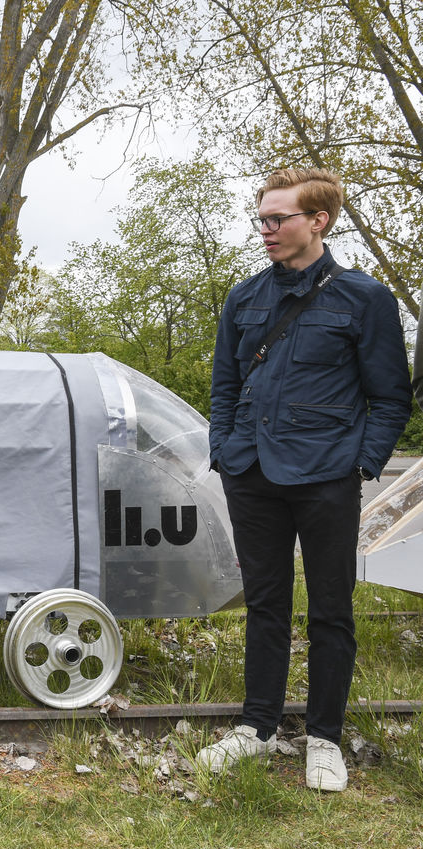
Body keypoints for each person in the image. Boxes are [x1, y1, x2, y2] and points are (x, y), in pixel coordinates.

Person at [197, 168, 411, 791]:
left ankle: (324, 738)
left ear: (317, 221)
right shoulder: (244, 298)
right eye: (260, 219)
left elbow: (391, 397)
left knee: (331, 612)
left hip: (327, 478)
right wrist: (224, 449)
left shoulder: (364, 298)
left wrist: (362, 463)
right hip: (250, 473)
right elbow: (226, 386)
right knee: (265, 605)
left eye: (277, 218)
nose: (265, 230)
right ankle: (257, 728)